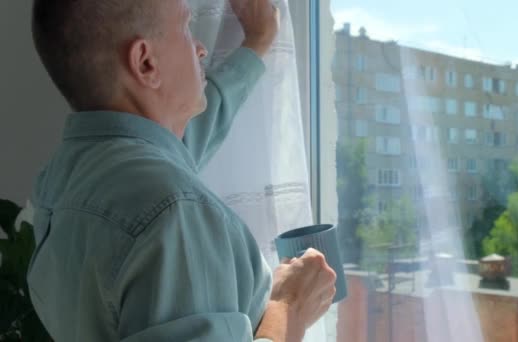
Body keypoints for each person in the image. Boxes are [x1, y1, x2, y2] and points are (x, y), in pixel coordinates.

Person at [26, 0, 336, 341]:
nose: (201, 49)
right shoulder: (174, 212)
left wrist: (258, 40)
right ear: (146, 62)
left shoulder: (66, 176)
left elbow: (184, 138)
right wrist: (288, 307)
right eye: (187, 28)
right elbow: (167, 194)